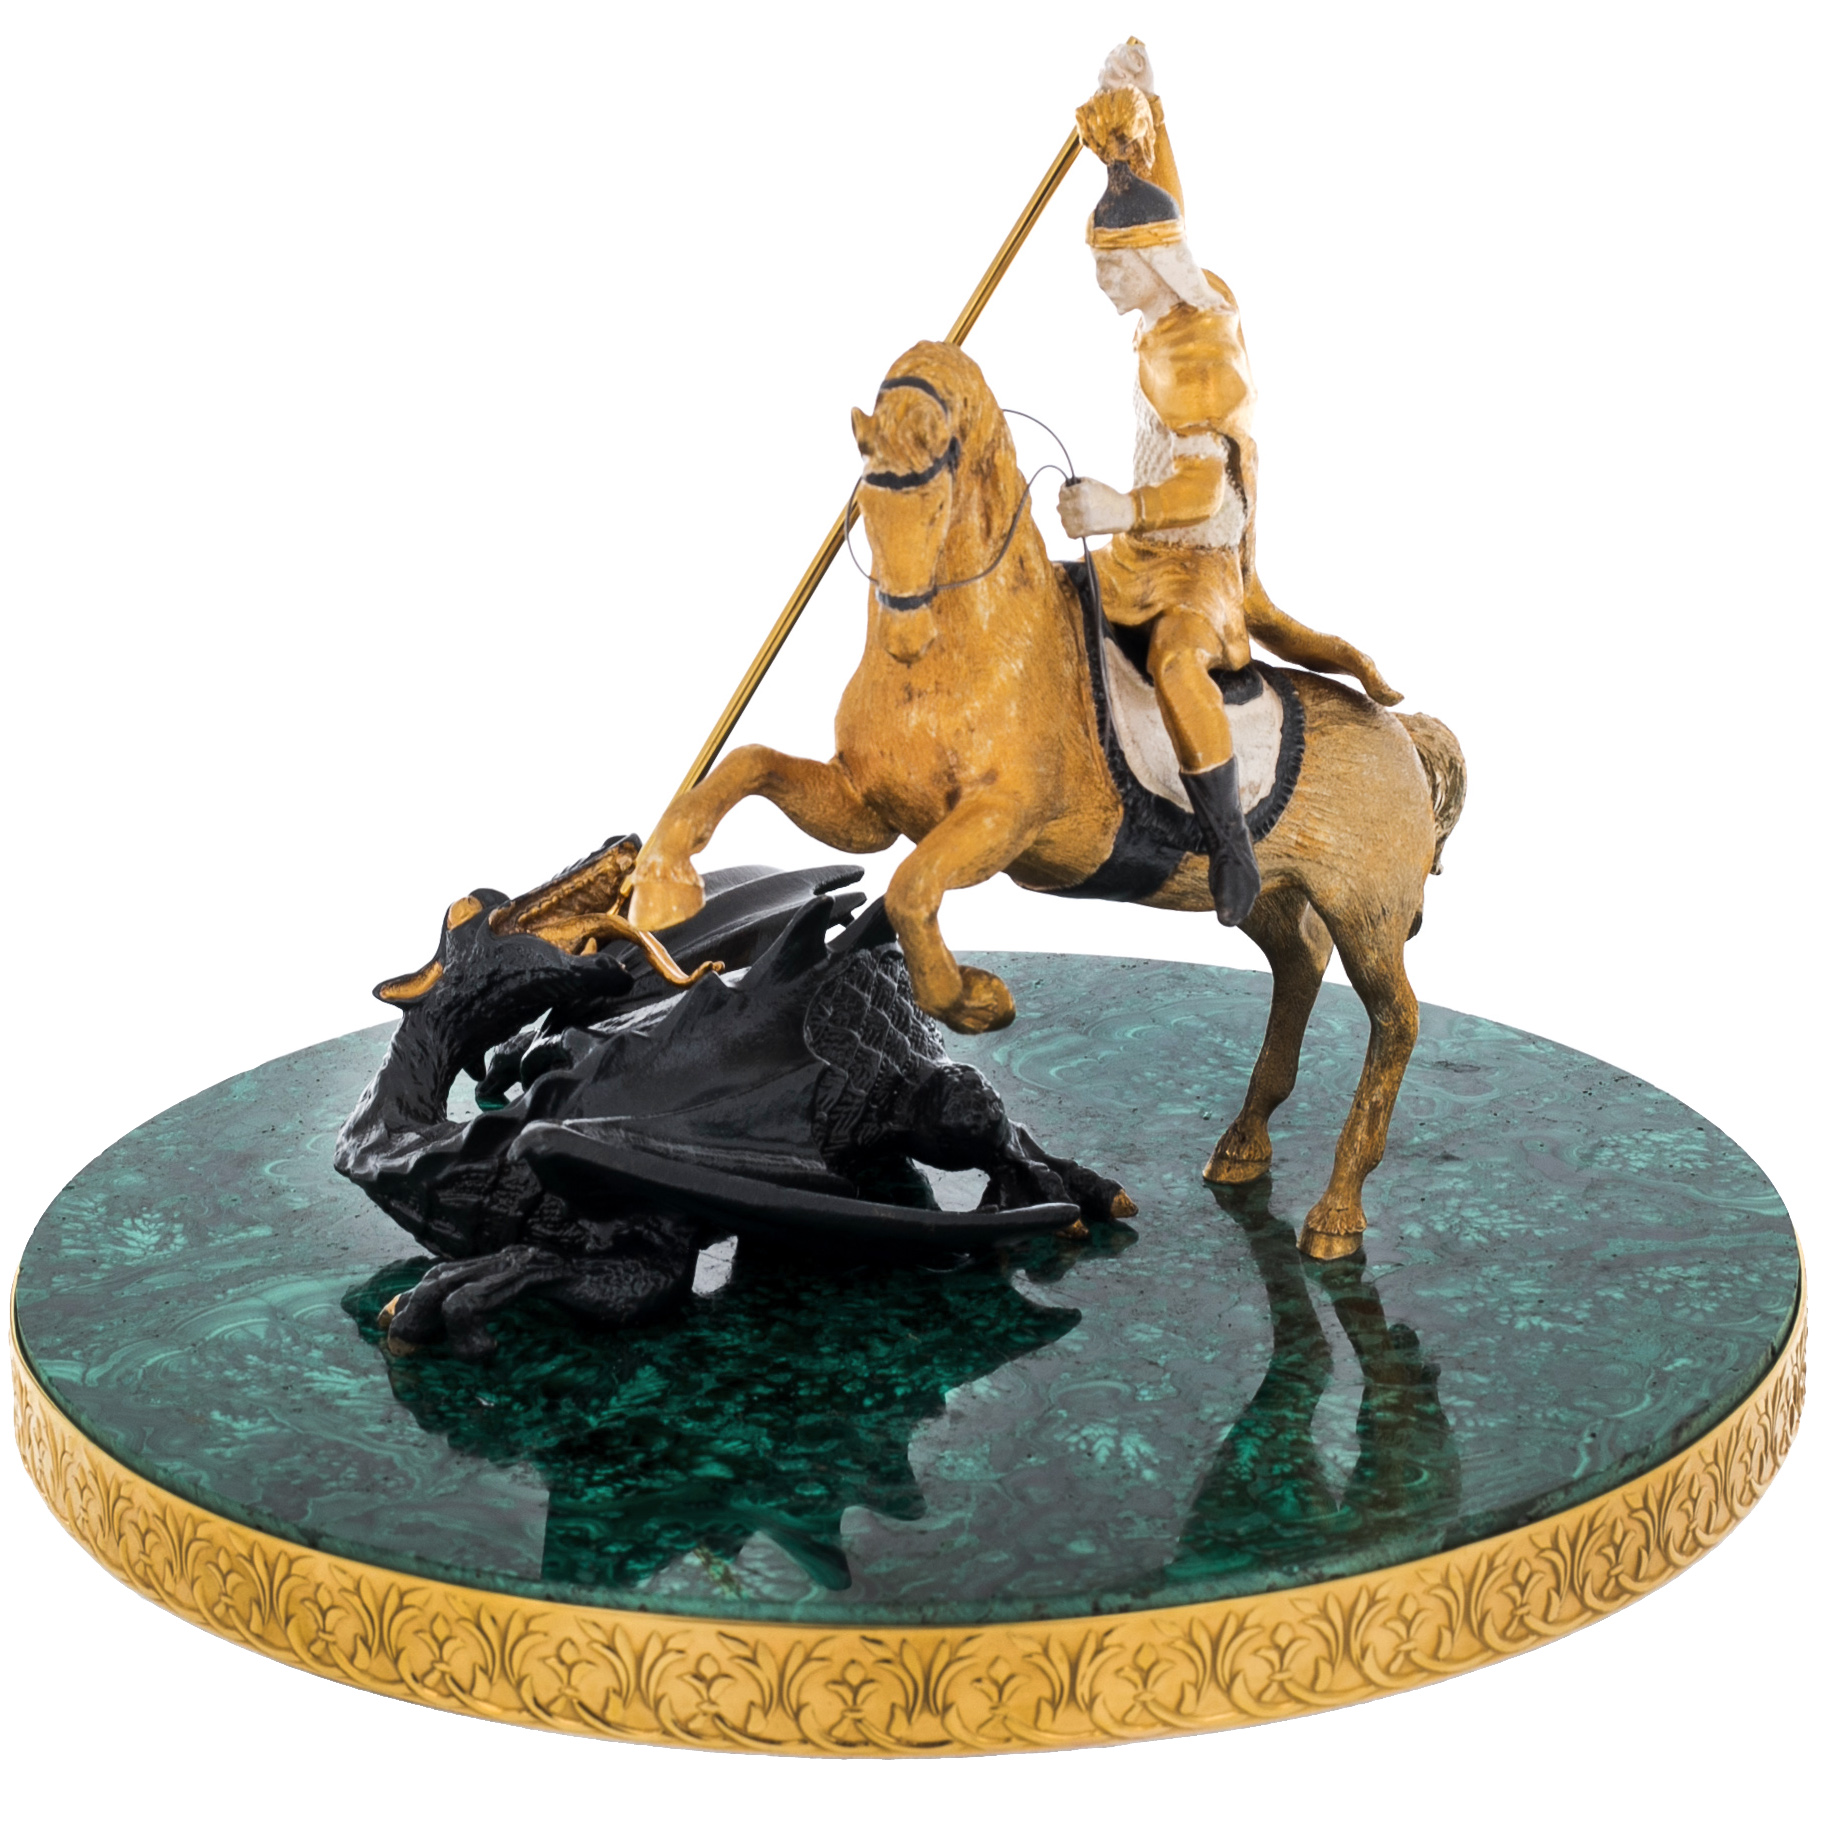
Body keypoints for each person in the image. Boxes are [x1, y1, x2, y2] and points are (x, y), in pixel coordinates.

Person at [1060, 41, 1402, 927]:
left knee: (1175, 665)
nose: (1101, 281)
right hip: (1140, 554)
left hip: (1199, 574)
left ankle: (1228, 843)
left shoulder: (1200, 356)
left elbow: (1204, 495)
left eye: (1111, 267)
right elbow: (1164, 217)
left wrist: (1119, 506)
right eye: (1098, 263)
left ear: (1147, 267)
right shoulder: (1174, 293)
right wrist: (1144, 115)